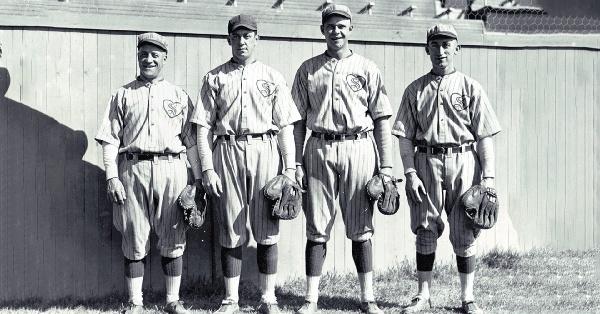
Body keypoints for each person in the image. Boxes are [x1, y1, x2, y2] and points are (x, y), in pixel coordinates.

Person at [191, 14, 301, 314]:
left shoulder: (272, 76)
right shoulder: (215, 77)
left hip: (265, 148)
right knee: (230, 227)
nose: (242, 41)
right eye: (236, 36)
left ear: (257, 38)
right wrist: (207, 169)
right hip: (226, 150)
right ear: (229, 39)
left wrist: (289, 170)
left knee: (268, 227)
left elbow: (285, 127)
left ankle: (268, 298)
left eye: (248, 35)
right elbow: (202, 128)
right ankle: (231, 300)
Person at [291, 4, 395, 314]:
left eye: (342, 25)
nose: (336, 31)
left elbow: (381, 120)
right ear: (322, 30)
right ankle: (311, 299)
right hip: (319, 146)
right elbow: (296, 123)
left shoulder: (366, 67)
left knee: (361, 226)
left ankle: (368, 297)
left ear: (351, 29)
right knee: (316, 226)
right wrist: (295, 163)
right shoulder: (308, 69)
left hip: (358, 146)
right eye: (330, 25)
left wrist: (386, 167)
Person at [392, 24, 502, 314]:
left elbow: (484, 137)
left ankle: (468, 298)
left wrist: (488, 177)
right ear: (427, 49)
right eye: (435, 44)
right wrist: (410, 173)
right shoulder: (415, 89)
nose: (441, 50)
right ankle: (423, 295)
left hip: (464, 160)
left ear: (457, 48)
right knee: (425, 228)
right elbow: (404, 137)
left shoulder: (470, 86)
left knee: (465, 229)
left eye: (447, 44)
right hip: (425, 160)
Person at [95, 32, 201, 314]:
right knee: (133, 234)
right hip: (133, 167)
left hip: (172, 167)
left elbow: (191, 142)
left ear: (164, 58)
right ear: (138, 56)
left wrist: (198, 180)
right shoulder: (123, 94)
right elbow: (110, 139)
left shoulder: (178, 95)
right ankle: (135, 303)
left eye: (155, 54)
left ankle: (172, 301)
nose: (149, 59)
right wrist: (111, 176)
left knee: (174, 233)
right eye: (144, 53)